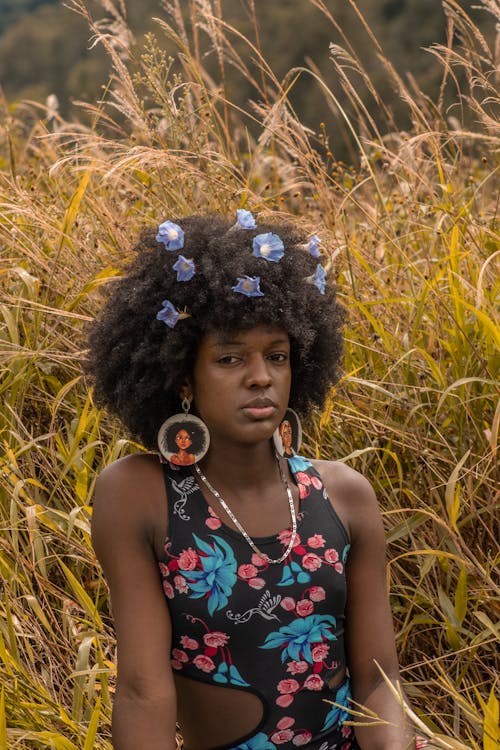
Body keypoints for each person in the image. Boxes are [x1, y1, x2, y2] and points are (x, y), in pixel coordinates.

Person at [87, 212, 413, 750]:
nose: (260, 376)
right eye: (231, 358)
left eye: (277, 356)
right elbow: (143, 692)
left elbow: (379, 681)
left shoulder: (344, 495)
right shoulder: (141, 495)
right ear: (184, 378)